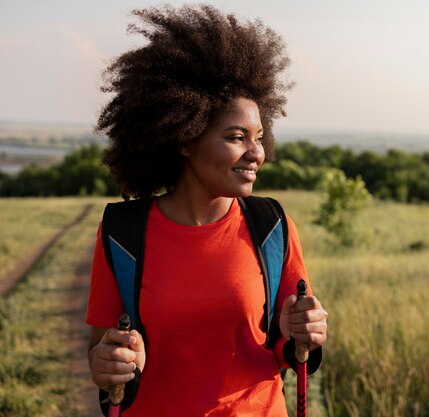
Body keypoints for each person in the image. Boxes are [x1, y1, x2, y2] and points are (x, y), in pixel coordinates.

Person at [86, 5, 328, 416]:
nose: (257, 153)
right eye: (237, 137)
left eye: (259, 136)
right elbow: (100, 348)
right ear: (184, 137)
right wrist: (106, 363)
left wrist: (307, 335)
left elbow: (291, 350)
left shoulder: (271, 226)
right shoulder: (123, 233)